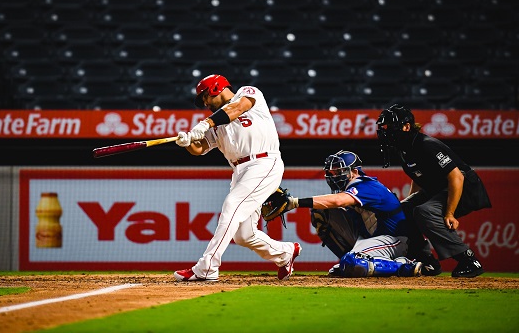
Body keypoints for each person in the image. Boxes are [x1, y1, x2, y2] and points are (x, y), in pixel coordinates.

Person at [173, 74, 301, 282]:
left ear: (216, 88)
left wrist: (205, 124)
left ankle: (207, 267)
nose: (204, 102)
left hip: (264, 162)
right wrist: (187, 141)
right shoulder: (216, 123)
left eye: (205, 96)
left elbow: (237, 109)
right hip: (240, 172)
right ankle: (285, 253)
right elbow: (199, 149)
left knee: (232, 205)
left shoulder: (248, 93)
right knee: (243, 235)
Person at [376, 104, 492, 278]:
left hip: (466, 188)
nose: (386, 132)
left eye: (391, 127)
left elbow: (456, 177)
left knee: (424, 211)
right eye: (384, 128)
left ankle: (468, 260)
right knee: (402, 210)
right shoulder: (404, 149)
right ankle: (426, 260)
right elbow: (418, 177)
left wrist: (450, 213)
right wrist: (408, 207)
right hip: (439, 188)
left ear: (407, 127)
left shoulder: (426, 145)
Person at [275, 150, 422, 278]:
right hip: (372, 238)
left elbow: (338, 201)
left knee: (352, 262)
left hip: (394, 240)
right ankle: (351, 261)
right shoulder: (351, 187)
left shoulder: (366, 185)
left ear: (355, 172)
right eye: (332, 172)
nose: (335, 176)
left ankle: (403, 265)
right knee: (321, 211)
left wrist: (294, 202)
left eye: (340, 171)